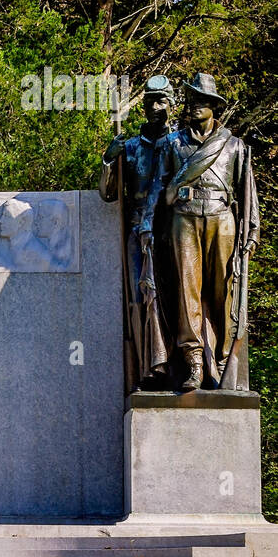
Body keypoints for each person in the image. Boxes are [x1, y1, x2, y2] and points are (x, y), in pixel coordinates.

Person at [148, 73, 259, 390]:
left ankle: (223, 358)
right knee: (187, 294)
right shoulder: (172, 144)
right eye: (192, 100)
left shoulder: (235, 147)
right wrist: (149, 230)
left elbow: (247, 193)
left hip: (222, 219)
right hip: (183, 219)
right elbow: (158, 192)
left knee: (224, 293)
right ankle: (194, 362)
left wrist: (252, 232)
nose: (194, 105)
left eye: (202, 101)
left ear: (214, 107)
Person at [99, 75, 177, 389]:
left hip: (172, 232)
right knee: (142, 298)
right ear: (143, 108)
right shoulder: (130, 147)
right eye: (151, 102)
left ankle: (178, 367)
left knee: (173, 298)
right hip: (137, 233)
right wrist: (109, 159)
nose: (157, 108)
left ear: (172, 106)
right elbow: (108, 193)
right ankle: (148, 368)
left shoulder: (181, 144)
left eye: (163, 102)